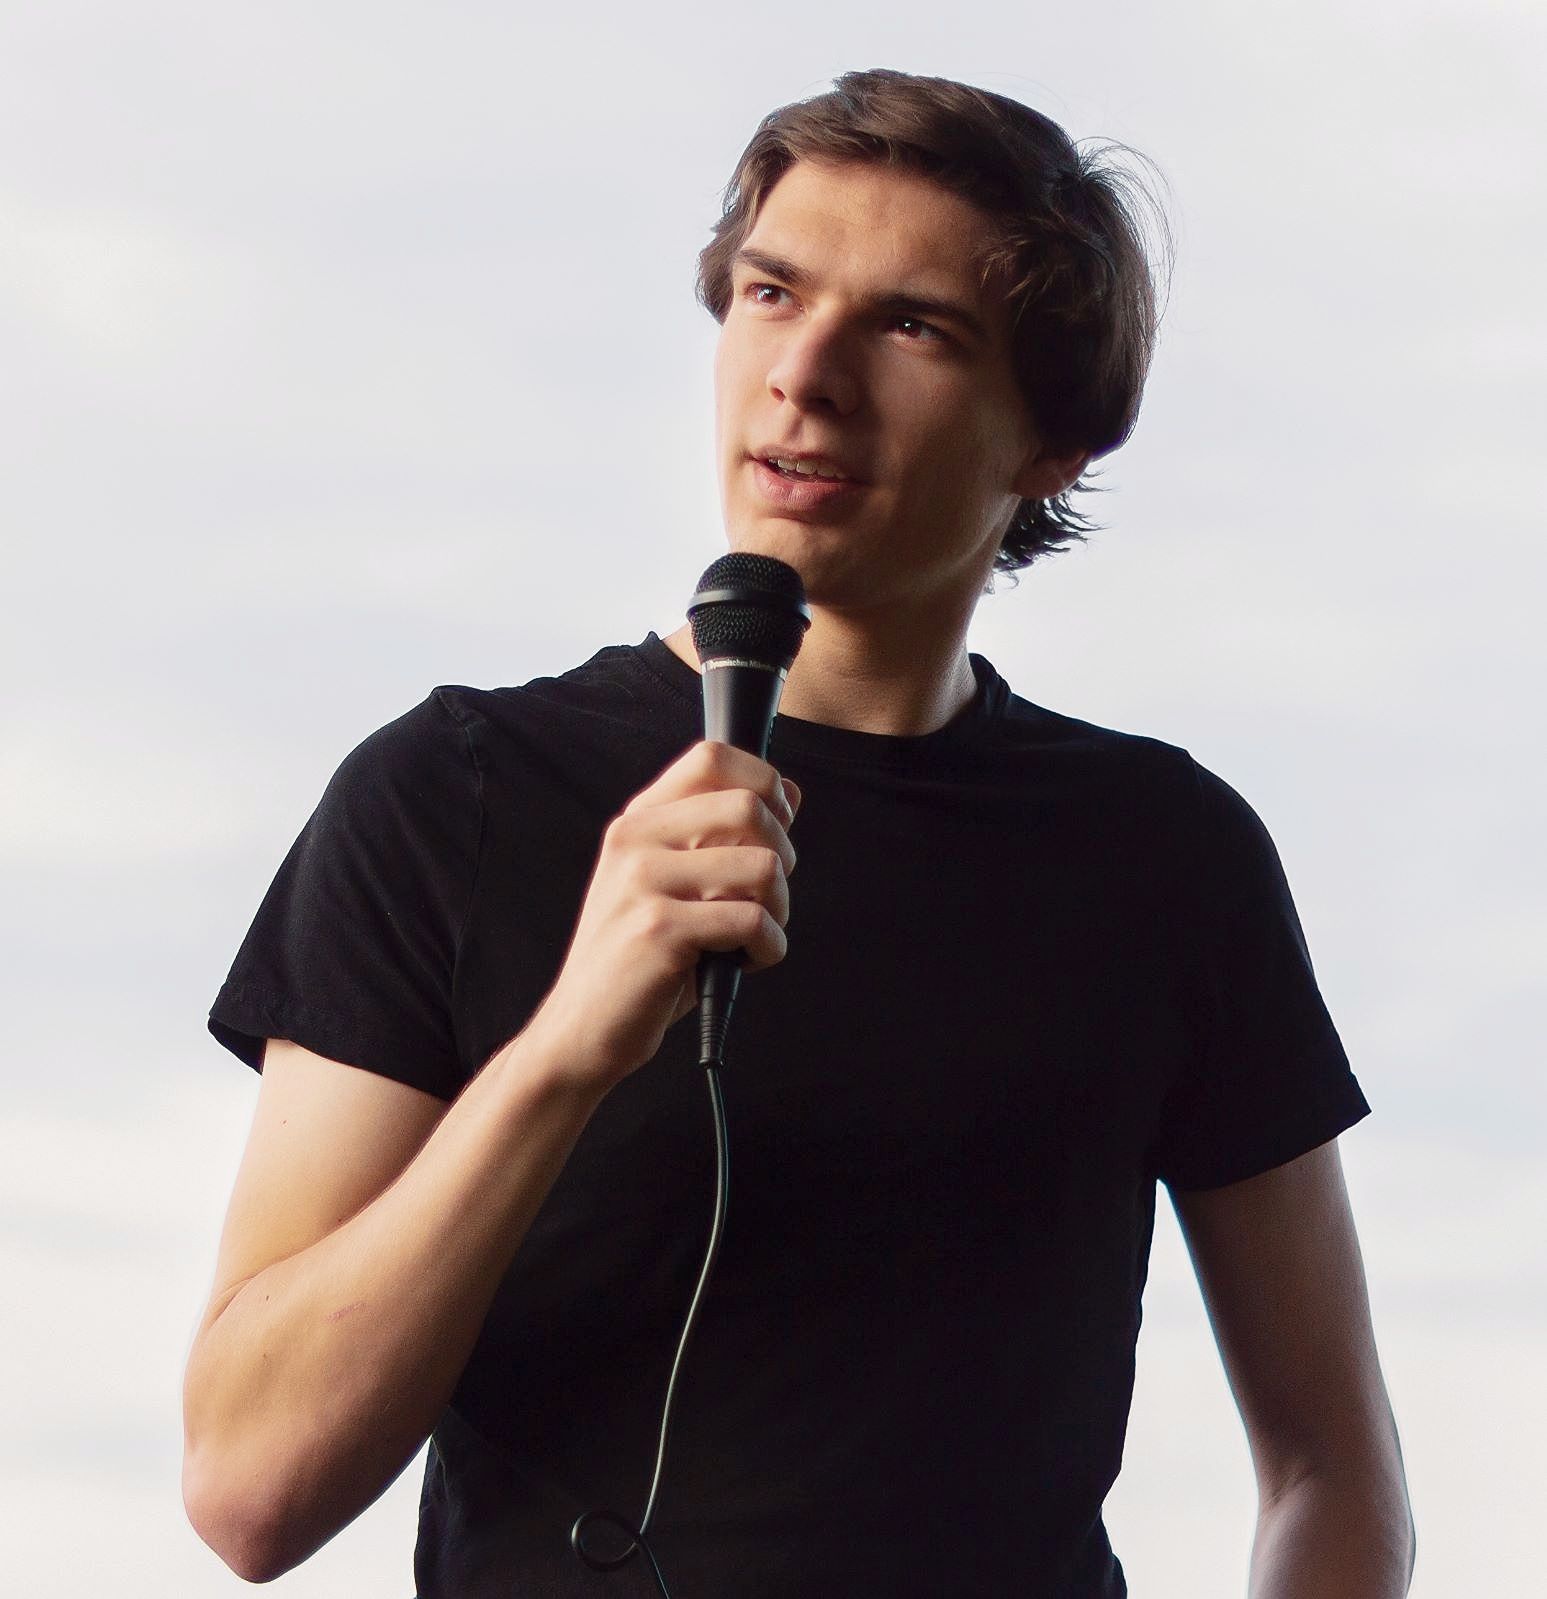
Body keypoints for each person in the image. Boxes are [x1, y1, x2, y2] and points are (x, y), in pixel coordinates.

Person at [183, 68, 1415, 1597]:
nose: (806, 374)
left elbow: (1332, 1465)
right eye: (772, 293)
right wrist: (565, 1049)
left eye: (912, 326)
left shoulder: (1168, 857)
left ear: (1054, 444)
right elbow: (249, 1492)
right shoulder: (455, 794)